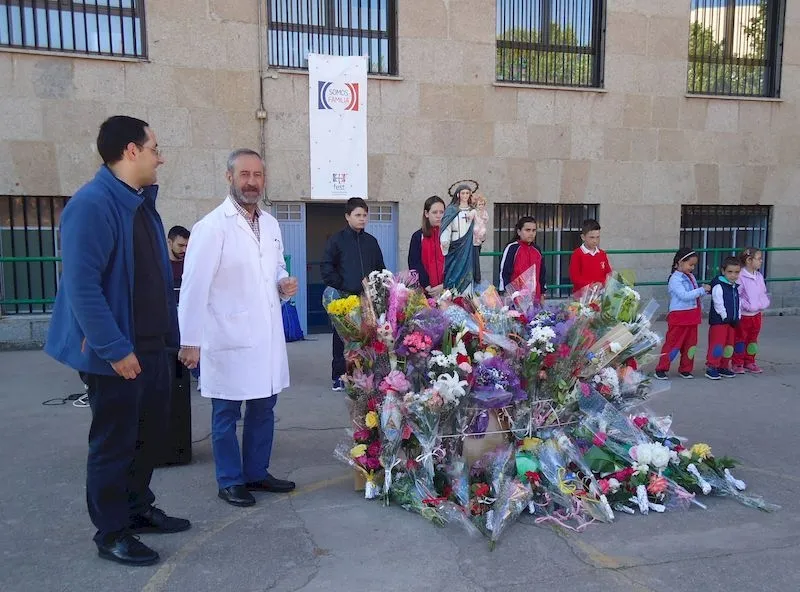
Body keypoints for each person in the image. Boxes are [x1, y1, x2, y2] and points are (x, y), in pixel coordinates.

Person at [44, 116, 189, 567]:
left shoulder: (140, 202)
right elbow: (82, 287)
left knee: (149, 437)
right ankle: (111, 532)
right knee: (114, 443)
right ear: (130, 151)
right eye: (154, 148)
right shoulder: (92, 204)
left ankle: (137, 508)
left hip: (152, 345)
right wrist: (114, 349)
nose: (159, 157)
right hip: (117, 351)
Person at [177, 149, 299, 507]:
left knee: (264, 407)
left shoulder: (272, 224)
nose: (251, 182)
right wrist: (190, 341)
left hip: (266, 336)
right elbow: (193, 288)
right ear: (229, 177)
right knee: (226, 413)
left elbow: (275, 267)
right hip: (227, 335)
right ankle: (230, 480)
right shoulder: (211, 227)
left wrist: (283, 283)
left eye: (257, 175)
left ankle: (256, 473)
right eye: (244, 174)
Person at [321, 197, 385, 391]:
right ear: (347, 217)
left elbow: (380, 269)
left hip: (366, 300)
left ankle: (363, 375)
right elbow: (326, 267)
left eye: (365, 215)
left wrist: (378, 288)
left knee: (366, 338)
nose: (362, 219)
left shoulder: (371, 242)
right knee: (342, 338)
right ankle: (340, 376)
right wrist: (342, 285)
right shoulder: (337, 240)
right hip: (344, 299)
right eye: (358, 215)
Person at [654, 248, 711, 380]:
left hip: (692, 315)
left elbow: (694, 294)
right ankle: (661, 368)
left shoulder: (690, 276)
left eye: (694, 265)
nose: (692, 268)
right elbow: (684, 296)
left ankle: (686, 369)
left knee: (690, 345)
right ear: (680, 262)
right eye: (690, 264)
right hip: (679, 316)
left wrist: (702, 294)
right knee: (673, 344)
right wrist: (702, 290)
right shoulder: (675, 279)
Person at [732, 247, 769, 374]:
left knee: (753, 339)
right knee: (740, 339)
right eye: (758, 259)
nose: (761, 261)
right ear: (749, 260)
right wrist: (747, 306)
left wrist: (763, 303)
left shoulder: (758, 276)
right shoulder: (740, 276)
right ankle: (737, 363)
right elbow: (738, 295)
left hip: (757, 314)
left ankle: (750, 361)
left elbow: (762, 292)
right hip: (744, 315)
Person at [705, 256, 742, 380]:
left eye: (736, 272)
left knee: (729, 346)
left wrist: (738, 316)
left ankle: (724, 366)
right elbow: (718, 302)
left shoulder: (734, 287)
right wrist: (725, 316)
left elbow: (738, 303)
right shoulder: (719, 285)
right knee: (717, 345)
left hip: (732, 321)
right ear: (723, 271)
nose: (733, 275)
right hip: (720, 322)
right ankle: (712, 366)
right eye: (730, 272)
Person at [498, 216, 547, 302]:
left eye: (534, 230)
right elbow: (504, 272)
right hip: (516, 297)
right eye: (527, 230)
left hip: (535, 296)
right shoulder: (512, 248)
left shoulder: (537, 250)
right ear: (519, 231)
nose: (531, 233)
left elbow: (542, 274)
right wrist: (506, 292)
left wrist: (542, 293)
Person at [440, 182, 477, 294]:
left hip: (467, 246)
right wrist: (445, 240)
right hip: (454, 246)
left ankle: (466, 295)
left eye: (467, 193)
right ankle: (452, 293)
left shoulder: (472, 210)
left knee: (466, 269)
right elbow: (446, 226)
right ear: (458, 195)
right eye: (463, 193)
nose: (465, 195)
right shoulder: (451, 210)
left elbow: (478, 227)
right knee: (452, 270)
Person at [407, 195, 445, 297]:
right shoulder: (418, 236)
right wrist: (427, 285)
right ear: (426, 213)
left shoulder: (449, 236)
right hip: (425, 292)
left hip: (446, 290)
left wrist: (444, 285)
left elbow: (454, 263)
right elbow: (414, 263)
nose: (439, 216)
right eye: (435, 212)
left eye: (441, 212)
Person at [569, 219, 612, 294]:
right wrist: (590, 285)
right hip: (582, 296)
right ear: (583, 237)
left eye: (597, 237)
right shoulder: (577, 254)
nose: (595, 240)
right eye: (592, 237)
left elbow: (608, 273)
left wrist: (601, 284)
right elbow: (575, 277)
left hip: (600, 294)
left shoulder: (602, 254)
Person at [470, 193, 489, 284]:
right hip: (475, 232)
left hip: (480, 229)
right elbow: (469, 217)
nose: (481, 206)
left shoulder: (483, 212)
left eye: (482, 204)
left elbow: (486, 219)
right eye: (479, 204)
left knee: (482, 231)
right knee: (476, 229)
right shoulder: (474, 211)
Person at [167, 225, 190, 295]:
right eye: (180, 245)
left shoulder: (191, 266)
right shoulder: (160, 267)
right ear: (170, 242)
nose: (184, 250)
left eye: (187, 246)